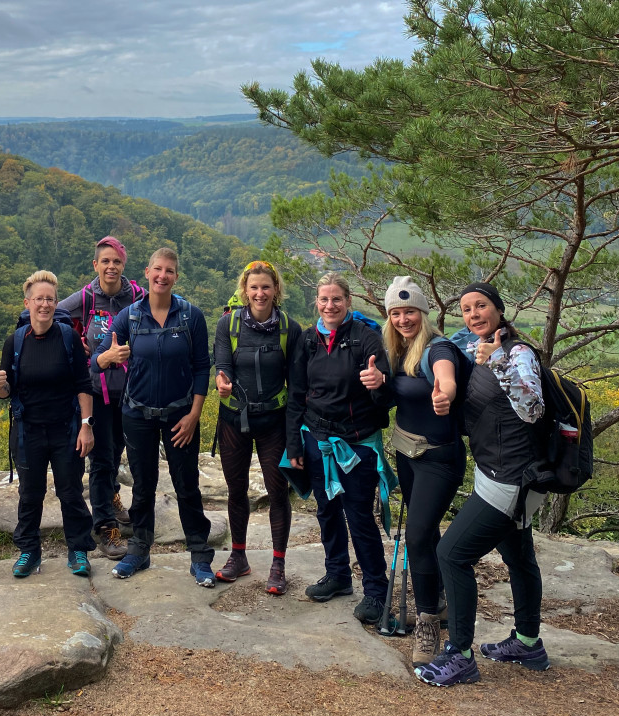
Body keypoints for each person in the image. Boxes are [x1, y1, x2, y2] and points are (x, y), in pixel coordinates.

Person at [417, 281, 551, 686]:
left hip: (509, 481)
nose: (474, 314)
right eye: (467, 309)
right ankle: (528, 642)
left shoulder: (516, 352)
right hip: (504, 476)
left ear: (498, 308)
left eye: (481, 306)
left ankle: (459, 654)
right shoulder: (482, 348)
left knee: (451, 554)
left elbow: (532, 409)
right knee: (519, 558)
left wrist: (497, 364)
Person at [91, 247, 215, 586]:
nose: (162, 276)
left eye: (169, 271)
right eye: (157, 269)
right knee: (143, 487)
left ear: (176, 276)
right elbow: (96, 359)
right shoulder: (129, 317)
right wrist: (109, 357)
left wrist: (194, 415)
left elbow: (202, 367)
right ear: (146, 273)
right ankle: (139, 551)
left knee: (187, 486)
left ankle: (200, 555)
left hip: (180, 416)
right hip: (138, 415)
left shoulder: (191, 317)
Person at [361, 276, 466, 665]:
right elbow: (392, 397)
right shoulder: (395, 349)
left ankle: (426, 625)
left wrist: (445, 394)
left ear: (423, 312)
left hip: (439, 459)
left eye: (409, 312)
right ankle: (437, 601)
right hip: (406, 453)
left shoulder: (438, 347)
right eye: (396, 313)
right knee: (426, 531)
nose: (403, 319)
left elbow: (445, 377)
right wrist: (378, 383)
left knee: (419, 536)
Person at [286, 274, 394, 624]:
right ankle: (337, 576)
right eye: (323, 299)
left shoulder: (367, 339)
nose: (329, 305)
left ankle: (377, 592)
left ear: (348, 301)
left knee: (359, 517)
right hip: (317, 441)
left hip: (357, 445)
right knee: (326, 511)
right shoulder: (308, 339)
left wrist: (379, 385)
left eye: (336, 299)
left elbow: (385, 402)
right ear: (316, 302)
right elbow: (297, 395)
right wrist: (293, 442)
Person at [0, 271, 95, 578]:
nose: (44, 305)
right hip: (28, 430)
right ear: (27, 303)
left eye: (50, 299)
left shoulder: (68, 338)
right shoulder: (15, 341)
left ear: (56, 302)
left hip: (66, 428)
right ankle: (29, 551)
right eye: (39, 299)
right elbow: (6, 391)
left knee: (71, 491)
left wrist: (86, 426)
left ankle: (77, 549)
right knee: (30, 493)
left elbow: (82, 384)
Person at [213, 260, 301, 595]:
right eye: (254, 287)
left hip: (273, 421)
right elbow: (223, 365)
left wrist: (295, 438)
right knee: (236, 492)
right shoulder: (228, 324)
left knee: (278, 491)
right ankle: (238, 557)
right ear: (244, 290)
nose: (260, 293)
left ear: (276, 289)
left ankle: (278, 563)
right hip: (234, 418)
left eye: (266, 287)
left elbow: (296, 386)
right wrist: (223, 383)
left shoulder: (289, 329)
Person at [57, 236, 145, 560]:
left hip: (132, 391)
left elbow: (163, 312)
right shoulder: (85, 297)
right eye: (105, 261)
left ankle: (110, 496)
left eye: (117, 262)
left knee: (118, 451)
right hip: (97, 390)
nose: (111, 266)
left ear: (124, 266)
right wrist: (71, 339)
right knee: (103, 458)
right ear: (96, 265)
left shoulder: (136, 297)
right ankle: (106, 527)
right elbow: (52, 313)